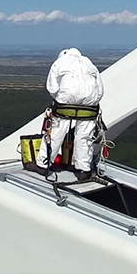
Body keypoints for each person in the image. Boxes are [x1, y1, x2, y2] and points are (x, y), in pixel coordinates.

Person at [36, 48, 104, 181]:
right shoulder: (90, 64)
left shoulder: (59, 62)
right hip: (89, 107)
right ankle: (84, 170)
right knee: (84, 138)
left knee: (55, 134)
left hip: (65, 105)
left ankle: (43, 164)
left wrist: (60, 99)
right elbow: (100, 89)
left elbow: (52, 87)